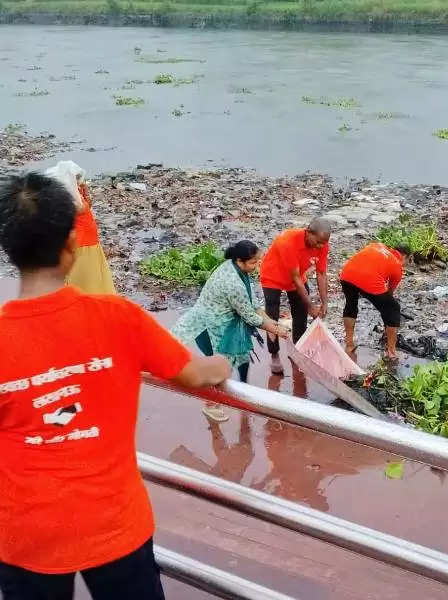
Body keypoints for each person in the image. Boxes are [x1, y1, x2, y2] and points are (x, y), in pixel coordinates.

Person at [0, 173, 230, 600]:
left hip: (26, 534)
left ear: (10, 249)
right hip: (114, 526)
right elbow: (196, 374)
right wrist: (222, 363)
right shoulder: (117, 316)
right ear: (72, 243)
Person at [172, 240, 288, 422]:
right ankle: (211, 404)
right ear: (240, 261)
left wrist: (273, 323)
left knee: (242, 357)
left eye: (258, 261)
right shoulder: (232, 282)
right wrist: (274, 329)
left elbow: (254, 304)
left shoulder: (238, 269)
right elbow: (250, 316)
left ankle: (241, 390)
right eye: (253, 263)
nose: (256, 266)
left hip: (226, 322)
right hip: (210, 327)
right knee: (219, 367)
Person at [259, 217, 331, 375]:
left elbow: (321, 273)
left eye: (323, 243)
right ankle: (274, 354)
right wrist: (311, 305)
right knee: (272, 315)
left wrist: (325, 303)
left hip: (298, 276)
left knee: (301, 313)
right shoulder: (288, 241)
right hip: (273, 276)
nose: (320, 246)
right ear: (308, 232)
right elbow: (296, 278)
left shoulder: (323, 245)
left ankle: (298, 349)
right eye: (318, 242)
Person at [45, 161, 116, 295]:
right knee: (87, 281)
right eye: (76, 179)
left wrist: (83, 189)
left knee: (93, 278)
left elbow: (87, 203)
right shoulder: (71, 200)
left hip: (90, 242)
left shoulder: (76, 195)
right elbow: (80, 207)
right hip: (83, 245)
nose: (78, 181)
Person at [339, 242, 410, 359]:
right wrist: (388, 318)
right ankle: (391, 352)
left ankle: (349, 345)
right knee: (393, 308)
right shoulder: (397, 265)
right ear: (405, 256)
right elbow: (389, 294)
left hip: (346, 274)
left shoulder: (376, 245)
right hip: (368, 279)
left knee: (351, 304)